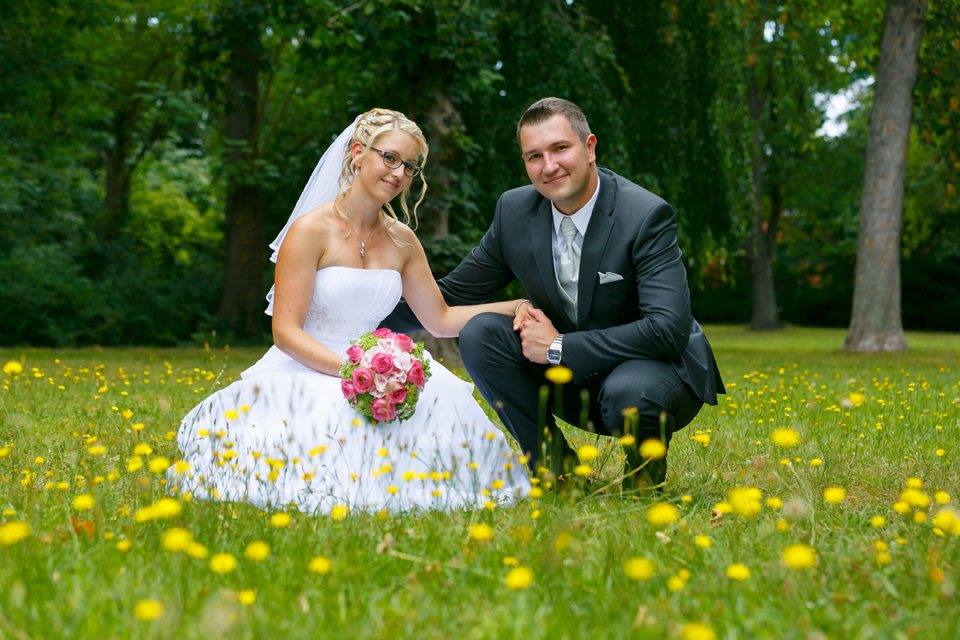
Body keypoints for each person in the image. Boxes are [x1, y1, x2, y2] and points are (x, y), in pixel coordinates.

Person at [170, 109, 531, 514]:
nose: (399, 173)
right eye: (389, 158)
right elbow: (285, 332)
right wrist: (353, 372)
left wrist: (514, 306)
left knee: (438, 404)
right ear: (358, 154)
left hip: (379, 366)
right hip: (307, 363)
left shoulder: (403, 241)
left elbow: (440, 319)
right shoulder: (310, 231)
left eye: (410, 166)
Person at [382, 98, 725, 488]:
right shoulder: (514, 212)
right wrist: (352, 316)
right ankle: (561, 475)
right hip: (569, 381)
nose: (549, 166)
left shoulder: (644, 215)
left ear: (590, 147)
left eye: (561, 148)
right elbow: (450, 296)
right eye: (534, 156)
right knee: (480, 332)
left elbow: (668, 329)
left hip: (650, 373)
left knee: (632, 390)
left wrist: (559, 346)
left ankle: (643, 480)